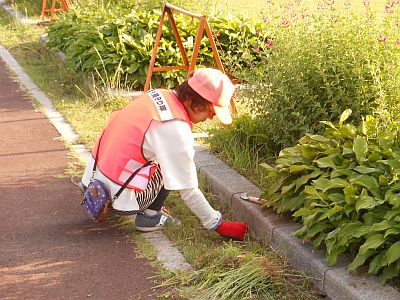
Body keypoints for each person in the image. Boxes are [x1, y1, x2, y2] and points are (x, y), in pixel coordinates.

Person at [80, 68, 249, 241]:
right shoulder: (174, 127)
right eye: (210, 111)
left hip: (92, 180)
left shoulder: (160, 95)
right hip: (115, 196)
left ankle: (123, 200)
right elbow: (188, 189)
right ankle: (149, 217)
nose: (211, 118)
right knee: (172, 164)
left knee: (165, 156)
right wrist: (218, 224)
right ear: (191, 100)